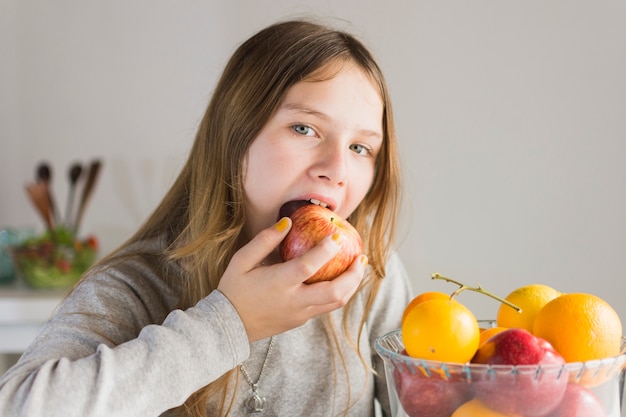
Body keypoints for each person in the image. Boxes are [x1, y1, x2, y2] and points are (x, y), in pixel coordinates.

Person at [0, 19, 412, 417]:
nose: (337, 169)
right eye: (304, 128)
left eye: (361, 148)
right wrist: (229, 322)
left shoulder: (371, 276)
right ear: (235, 134)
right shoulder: (140, 284)